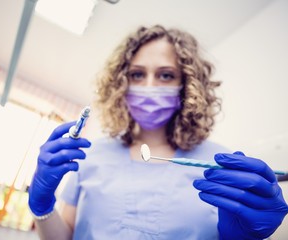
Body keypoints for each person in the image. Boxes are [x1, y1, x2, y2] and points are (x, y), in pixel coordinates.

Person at [28, 25, 288, 239]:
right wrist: (42, 206)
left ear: (187, 84)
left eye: (165, 75)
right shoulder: (89, 155)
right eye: (137, 74)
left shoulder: (219, 163)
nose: (150, 86)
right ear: (122, 83)